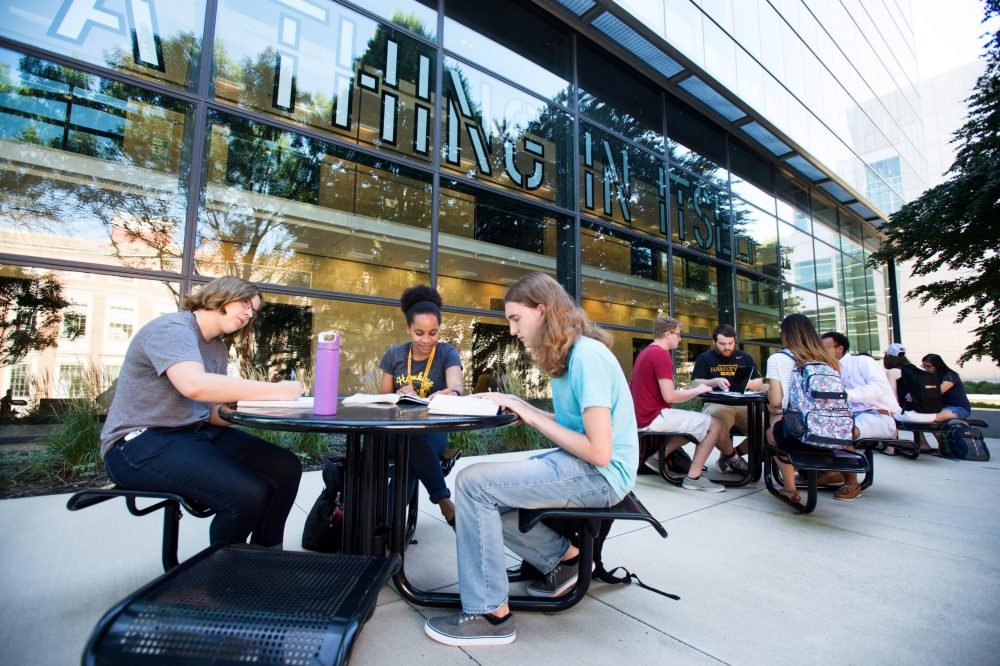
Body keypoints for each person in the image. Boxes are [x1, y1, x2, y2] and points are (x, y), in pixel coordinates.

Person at [423, 272, 638, 647]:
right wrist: (521, 406)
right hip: (588, 467)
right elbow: (578, 427)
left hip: (601, 475)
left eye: (515, 319)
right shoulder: (567, 356)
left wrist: (532, 414)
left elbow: (599, 450)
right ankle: (565, 560)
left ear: (542, 310)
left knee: (473, 485)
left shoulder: (587, 357)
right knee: (485, 498)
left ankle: (490, 615)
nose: (511, 331)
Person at [100, 276, 303, 548]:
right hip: (138, 443)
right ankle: (225, 578)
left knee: (286, 467)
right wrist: (276, 390)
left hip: (194, 433)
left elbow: (211, 413)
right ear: (221, 295)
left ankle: (266, 554)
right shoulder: (173, 328)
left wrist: (260, 410)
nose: (248, 313)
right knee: (247, 494)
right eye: (245, 303)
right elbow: (194, 386)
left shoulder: (216, 347)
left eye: (253, 311)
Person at [379, 285, 464, 527]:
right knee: (408, 441)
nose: (426, 340)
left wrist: (452, 392)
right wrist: (398, 393)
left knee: (412, 444)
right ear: (408, 329)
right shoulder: (394, 355)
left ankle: (384, 527)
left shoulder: (447, 353)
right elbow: (382, 398)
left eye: (433, 332)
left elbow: (457, 385)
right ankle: (444, 504)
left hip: (431, 434)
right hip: (395, 433)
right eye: (419, 333)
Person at [766, 314, 861, 502]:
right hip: (835, 436)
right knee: (837, 420)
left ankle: (790, 489)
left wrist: (769, 393)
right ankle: (852, 481)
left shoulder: (778, 359)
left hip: (800, 436)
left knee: (772, 427)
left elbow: (776, 401)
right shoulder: (829, 360)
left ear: (785, 335)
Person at [630, 317, 729, 492]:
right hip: (652, 417)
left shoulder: (646, 352)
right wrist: (697, 390)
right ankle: (694, 477)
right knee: (715, 424)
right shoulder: (661, 355)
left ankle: (657, 457)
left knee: (696, 422)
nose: (680, 338)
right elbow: (670, 396)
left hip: (641, 416)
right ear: (668, 334)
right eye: (678, 334)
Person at [820, 330, 898, 477]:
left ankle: (851, 482)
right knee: (817, 428)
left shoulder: (862, 361)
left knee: (841, 431)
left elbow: (879, 387)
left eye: (825, 348)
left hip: (877, 416)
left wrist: (845, 396)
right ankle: (826, 472)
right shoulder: (829, 371)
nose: (820, 352)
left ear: (840, 349)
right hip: (850, 418)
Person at [691, 324, 763, 470]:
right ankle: (734, 459)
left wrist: (745, 383)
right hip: (717, 405)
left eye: (731, 343)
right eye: (722, 344)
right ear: (714, 342)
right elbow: (696, 383)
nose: (727, 347)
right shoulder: (705, 358)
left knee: (767, 430)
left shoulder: (745, 357)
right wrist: (715, 381)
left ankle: (730, 455)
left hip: (744, 405)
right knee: (714, 428)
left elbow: (759, 382)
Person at [882, 343, 940, 424]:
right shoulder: (914, 369)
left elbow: (893, 400)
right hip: (931, 413)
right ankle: (918, 437)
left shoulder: (893, 372)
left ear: (888, 356)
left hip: (910, 414)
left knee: (881, 414)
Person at [921, 353, 972, 421]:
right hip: (942, 407)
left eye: (929, 366)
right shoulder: (931, 377)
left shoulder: (950, 376)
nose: (926, 369)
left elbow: (937, 392)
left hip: (959, 408)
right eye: (924, 366)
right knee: (920, 419)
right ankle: (940, 432)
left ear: (938, 365)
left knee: (932, 419)